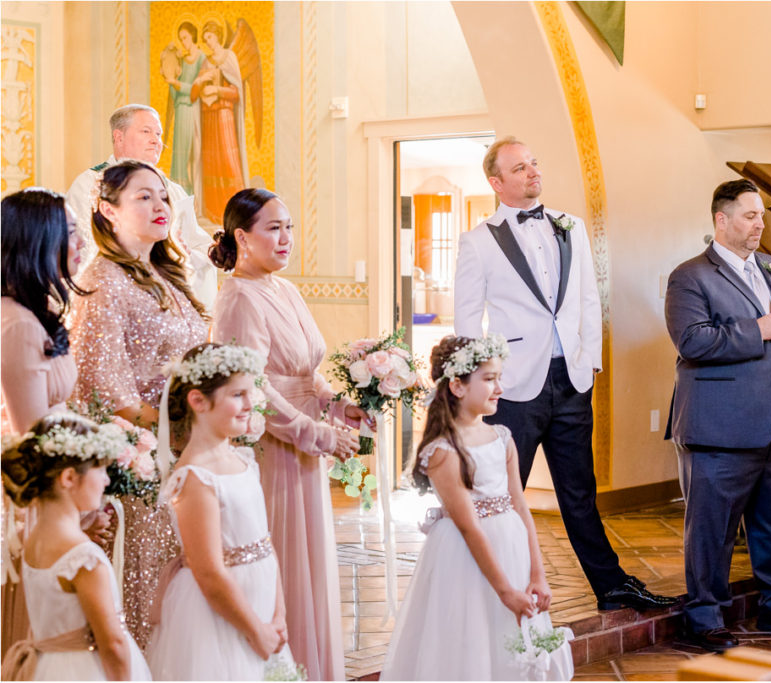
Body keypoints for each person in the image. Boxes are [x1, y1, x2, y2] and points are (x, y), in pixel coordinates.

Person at [454, 137, 673, 612]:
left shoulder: (569, 226)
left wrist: (588, 361)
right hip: (512, 387)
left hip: (571, 379)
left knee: (580, 492)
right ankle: (495, 592)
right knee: (502, 493)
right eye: (519, 168)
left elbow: (588, 300)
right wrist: (479, 388)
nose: (533, 172)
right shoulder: (478, 241)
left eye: (534, 163)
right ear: (496, 182)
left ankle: (611, 587)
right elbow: (467, 322)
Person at [210, 188, 366, 681]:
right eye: (273, 228)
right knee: (283, 562)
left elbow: (305, 372)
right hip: (272, 450)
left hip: (305, 444)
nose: (286, 239)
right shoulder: (237, 297)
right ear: (242, 236)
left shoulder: (286, 289)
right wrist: (314, 433)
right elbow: (249, 385)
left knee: (310, 562)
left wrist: (337, 404)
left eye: (290, 227)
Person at [665, 179, 771, 651]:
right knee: (712, 529)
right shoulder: (690, 276)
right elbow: (692, 341)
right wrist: (757, 329)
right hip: (720, 426)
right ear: (721, 219)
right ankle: (705, 617)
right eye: (751, 215)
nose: (760, 224)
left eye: (761, 216)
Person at [68, 159, 209, 649]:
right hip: (141, 468)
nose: (160, 206)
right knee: (144, 591)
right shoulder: (102, 280)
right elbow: (106, 391)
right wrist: (186, 432)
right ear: (107, 210)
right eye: (143, 197)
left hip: (182, 453)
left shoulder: (163, 271)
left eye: (163, 196)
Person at [381, 335, 554, 680]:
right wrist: (505, 591)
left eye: (499, 378)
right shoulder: (444, 451)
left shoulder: (502, 438)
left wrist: (537, 574)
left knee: (510, 643)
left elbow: (520, 505)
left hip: (512, 547)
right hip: (464, 557)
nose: (499, 388)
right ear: (458, 386)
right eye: (489, 379)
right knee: (470, 638)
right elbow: (469, 526)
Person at [0, 188, 111, 656]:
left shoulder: (32, 314)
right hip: (37, 500)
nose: (81, 240)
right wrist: (74, 514)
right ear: (37, 240)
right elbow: (35, 436)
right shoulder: (19, 325)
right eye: (69, 232)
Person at [147, 343, 298, 680]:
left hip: (261, 605)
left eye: (250, 394)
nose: (250, 405)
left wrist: (279, 614)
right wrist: (255, 630)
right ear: (198, 401)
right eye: (238, 395)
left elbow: (264, 541)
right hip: (219, 616)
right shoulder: (195, 477)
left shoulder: (242, 459)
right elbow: (209, 572)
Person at [0, 414, 150, 680]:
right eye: (100, 470)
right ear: (69, 477)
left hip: (48, 668)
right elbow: (113, 644)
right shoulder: (82, 557)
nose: (106, 481)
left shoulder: (34, 539)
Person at [65, 104, 216, 308]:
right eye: (146, 131)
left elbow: (195, 244)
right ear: (119, 137)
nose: (156, 141)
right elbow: (83, 247)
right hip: (113, 297)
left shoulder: (173, 189)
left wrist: (192, 255)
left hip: (168, 298)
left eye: (159, 134)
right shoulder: (91, 184)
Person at [193, 22, 247, 221]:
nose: (208, 42)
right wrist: (200, 84)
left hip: (224, 116)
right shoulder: (206, 62)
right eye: (205, 39)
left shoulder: (229, 57)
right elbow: (194, 94)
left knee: (227, 160)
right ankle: (213, 210)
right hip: (208, 117)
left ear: (217, 36)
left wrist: (217, 90)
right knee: (211, 164)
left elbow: (236, 92)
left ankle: (235, 211)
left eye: (210, 38)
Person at [163, 22, 205, 196]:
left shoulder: (202, 59)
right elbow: (175, 93)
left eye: (185, 38)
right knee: (178, 152)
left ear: (193, 36)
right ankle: (179, 193)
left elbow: (197, 90)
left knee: (188, 151)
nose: (183, 43)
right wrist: (171, 76)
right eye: (181, 39)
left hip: (191, 109)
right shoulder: (182, 61)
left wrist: (176, 83)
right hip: (181, 108)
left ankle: (190, 193)